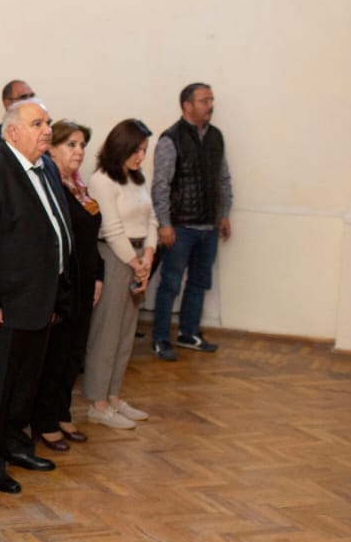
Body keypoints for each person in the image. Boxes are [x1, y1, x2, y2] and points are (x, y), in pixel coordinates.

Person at [0, 99, 73, 492]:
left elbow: (55, 226)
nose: (47, 129)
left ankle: (14, 442)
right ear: (12, 131)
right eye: (37, 123)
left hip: (40, 296)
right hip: (8, 299)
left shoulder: (44, 165)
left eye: (47, 122)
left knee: (26, 381)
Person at [32, 120, 102, 451]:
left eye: (82, 145)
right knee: (55, 353)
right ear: (53, 148)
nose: (79, 151)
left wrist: (99, 275)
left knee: (74, 351)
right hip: (64, 282)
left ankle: (61, 412)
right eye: (71, 145)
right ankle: (44, 421)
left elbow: (90, 237)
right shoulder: (50, 185)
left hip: (87, 278)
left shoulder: (77, 185)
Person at [84, 119, 158, 428]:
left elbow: (152, 218)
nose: (141, 156)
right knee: (107, 333)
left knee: (127, 331)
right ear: (120, 146)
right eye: (136, 150)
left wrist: (149, 255)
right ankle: (97, 403)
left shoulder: (138, 179)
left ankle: (114, 396)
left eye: (144, 150)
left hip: (139, 257)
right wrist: (134, 262)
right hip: (116, 258)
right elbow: (111, 228)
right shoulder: (102, 180)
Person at [151, 82, 232, 360]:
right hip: (180, 227)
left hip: (209, 226)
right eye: (204, 101)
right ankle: (161, 338)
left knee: (199, 282)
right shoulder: (170, 139)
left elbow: (223, 178)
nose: (210, 106)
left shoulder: (216, 137)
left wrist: (224, 214)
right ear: (187, 106)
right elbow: (160, 185)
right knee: (170, 284)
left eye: (211, 100)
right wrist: (164, 223)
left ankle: (189, 333)